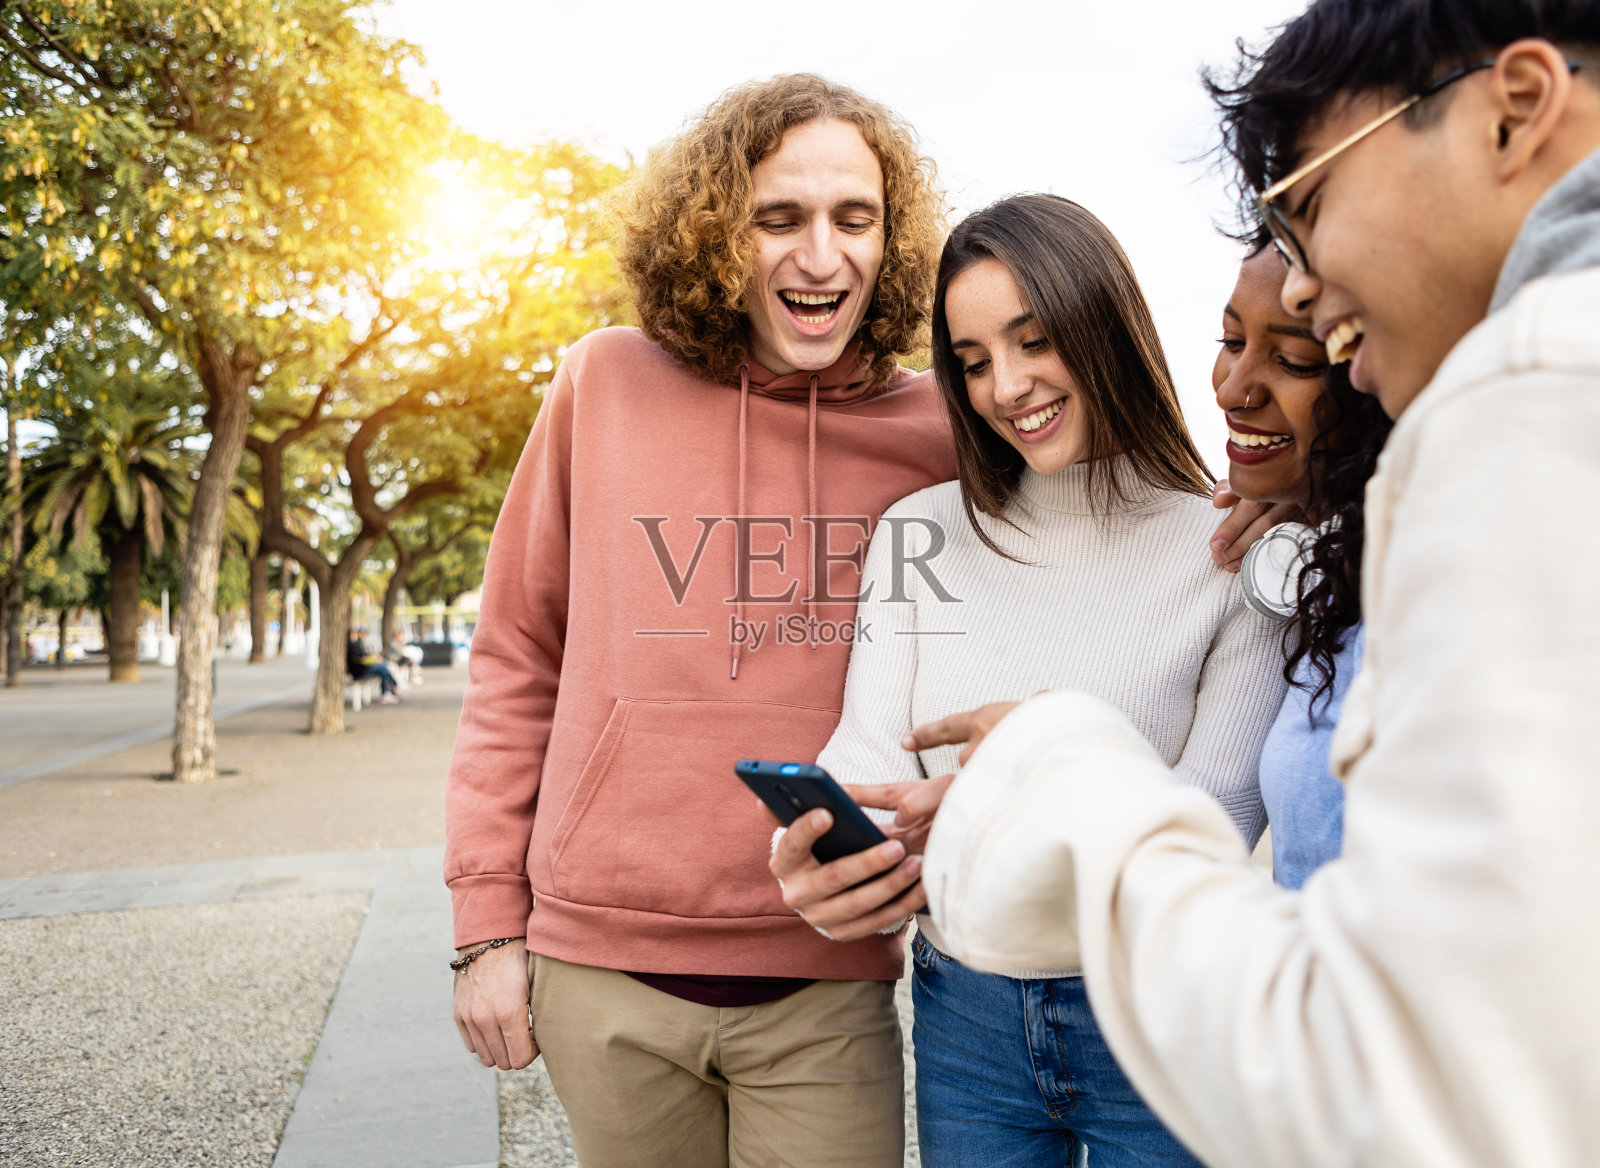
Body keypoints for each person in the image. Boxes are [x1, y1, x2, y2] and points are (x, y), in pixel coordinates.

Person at [899, 6, 1600, 1167]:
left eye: (1310, 203)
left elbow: (1420, 1088)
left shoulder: (1531, 397)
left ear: (1514, 109)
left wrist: (1064, 767)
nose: (1310, 291)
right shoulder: (1327, 526)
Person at [443, 74, 955, 1168]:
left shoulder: (943, 429)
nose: (819, 256)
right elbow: (515, 657)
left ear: (890, 238)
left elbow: (1106, 514)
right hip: (601, 977)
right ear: (718, 232)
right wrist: (486, 927)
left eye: (852, 219)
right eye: (780, 218)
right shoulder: (604, 381)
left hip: (826, 980)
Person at [768, 194, 1288, 1167]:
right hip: (965, 1010)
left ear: (1101, 327)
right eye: (970, 361)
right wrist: (815, 849)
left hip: (1158, 1002)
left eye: (1033, 340)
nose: (1004, 386)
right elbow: (871, 754)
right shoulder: (917, 532)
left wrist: (1008, 793)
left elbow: (1217, 817)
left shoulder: (1225, 547)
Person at [1212, 243, 1391, 887]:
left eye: (1293, 360)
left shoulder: (1414, 604)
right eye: (1230, 340)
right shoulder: (1320, 556)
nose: (1233, 388)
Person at [346, 626, 400, 704]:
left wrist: (372, 658)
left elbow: (363, 657)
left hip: (363, 669)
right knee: (384, 668)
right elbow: (361, 659)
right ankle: (392, 687)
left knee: (384, 669)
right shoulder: (351, 646)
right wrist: (372, 658)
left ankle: (388, 691)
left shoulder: (357, 644)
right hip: (360, 671)